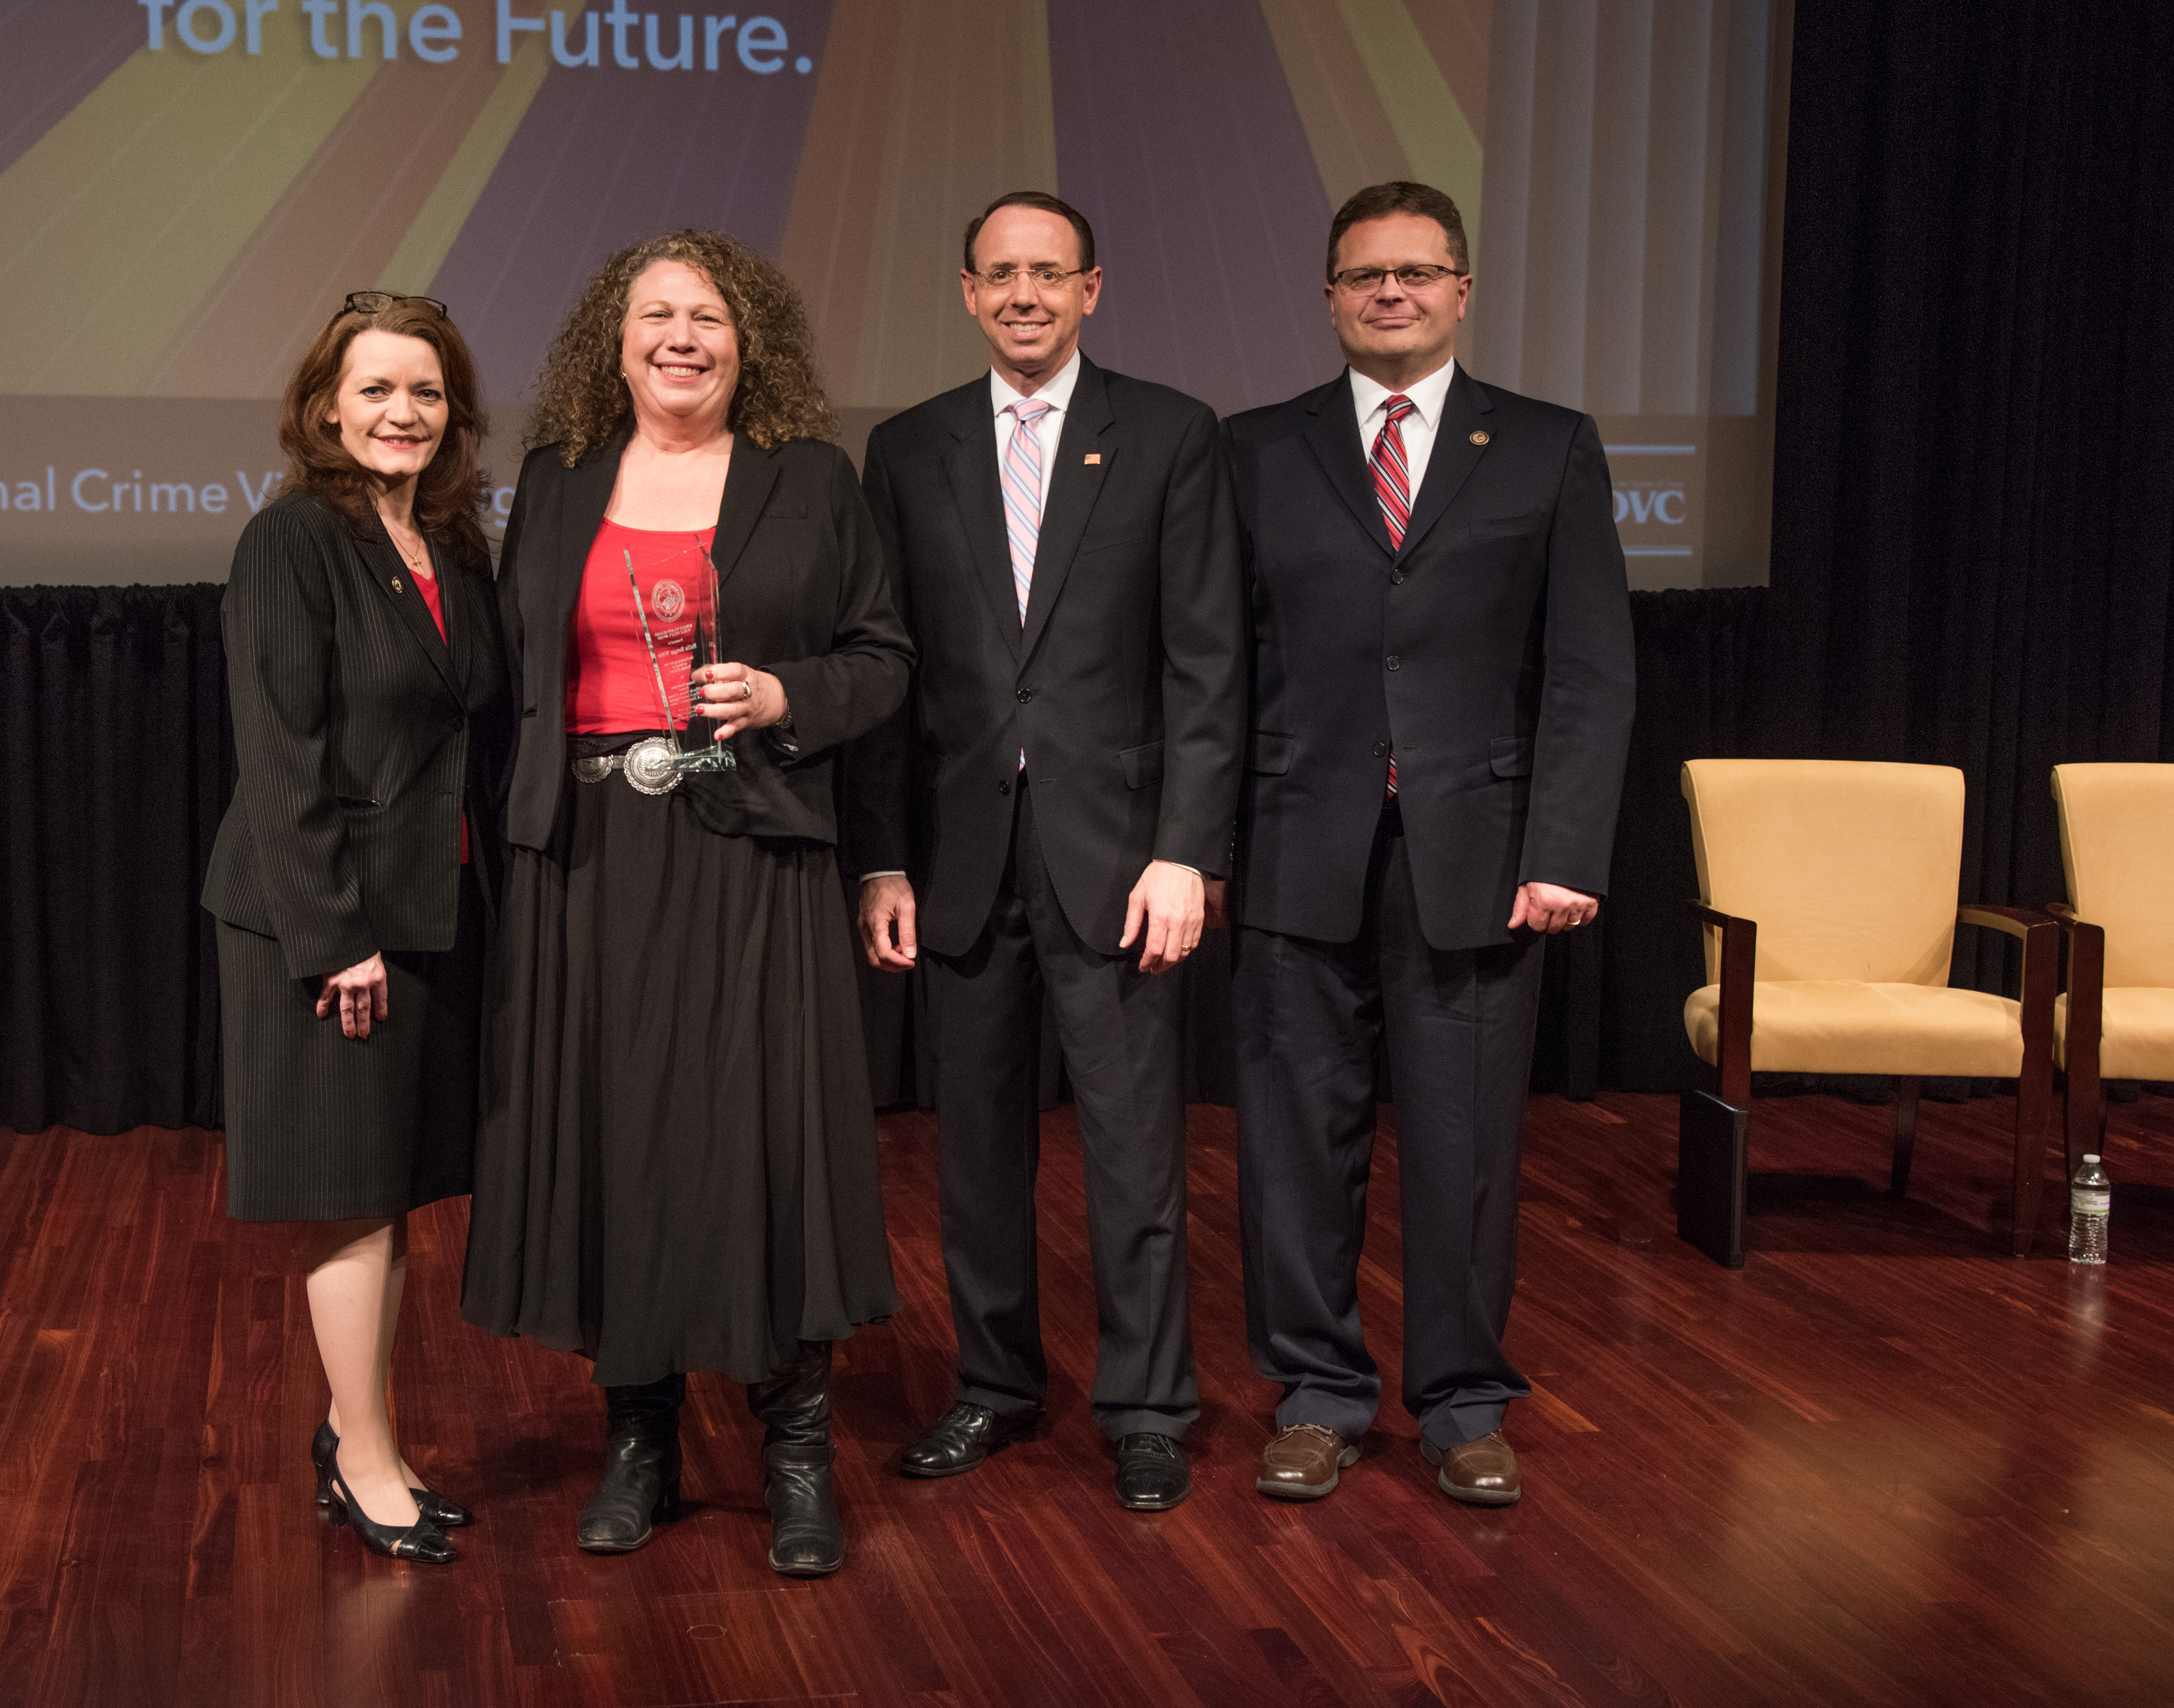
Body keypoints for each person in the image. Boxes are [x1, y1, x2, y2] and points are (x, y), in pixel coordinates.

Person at [461, 230, 911, 1578]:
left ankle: (793, 1454)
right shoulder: (553, 482)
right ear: (613, 341)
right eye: (653, 315)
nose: (679, 337)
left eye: (705, 316)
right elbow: (511, 675)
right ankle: (638, 1440)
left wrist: (784, 698)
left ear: (744, 340)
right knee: (617, 1137)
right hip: (585, 857)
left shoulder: (812, 481)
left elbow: (882, 658)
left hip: (751, 845)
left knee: (765, 1137)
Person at [1225, 182, 1635, 1507]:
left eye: (1415, 272)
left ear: (1462, 289)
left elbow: (1586, 670)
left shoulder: (1545, 445)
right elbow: (1212, 669)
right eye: (1363, 276)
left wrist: (1564, 846)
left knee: (1463, 1145)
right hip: (1294, 842)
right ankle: (1316, 1392)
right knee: (1295, 1140)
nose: (1389, 293)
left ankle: (1462, 1401)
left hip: (1479, 853)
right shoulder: (1254, 448)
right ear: (1329, 295)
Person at [847, 191, 1244, 1512]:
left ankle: (1145, 1407)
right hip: (960, 860)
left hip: (1121, 863)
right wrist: (881, 860)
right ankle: (993, 1386)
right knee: (973, 1156)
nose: (1024, 294)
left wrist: (1187, 849)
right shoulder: (905, 450)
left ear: (1091, 289)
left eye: (1048, 273)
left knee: (1135, 1151)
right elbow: (887, 674)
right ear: (966, 291)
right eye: (999, 274)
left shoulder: (1170, 435)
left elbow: (1205, 664)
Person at [202, 292, 515, 1563]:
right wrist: (333, 938)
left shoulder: (451, 544)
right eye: (377, 390)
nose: (403, 413)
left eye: (427, 392)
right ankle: (364, 1457)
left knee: (386, 1197)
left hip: (430, 908)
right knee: (350, 1202)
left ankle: (359, 1439)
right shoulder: (292, 543)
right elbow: (281, 759)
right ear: (326, 406)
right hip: (323, 925)